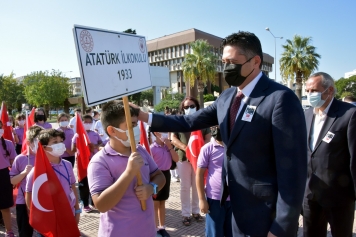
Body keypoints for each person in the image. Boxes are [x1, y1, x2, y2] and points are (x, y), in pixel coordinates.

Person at [134, 31, 307, 237]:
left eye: (232, 62)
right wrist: (144, 116)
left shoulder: (280, 99)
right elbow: (189, 121)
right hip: (232, 209)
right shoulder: (227, 96)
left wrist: (280, 228)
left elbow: (293, 173)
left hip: (264, 215)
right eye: (224, 62)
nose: (226, 68)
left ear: (256, 61)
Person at [87, 100, 166, 237]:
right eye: (131, 125)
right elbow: (101, 205)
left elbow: (160, 177)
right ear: (112, 130)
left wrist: (151, 188)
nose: (136, 130)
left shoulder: (140, 150)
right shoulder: (99, 161)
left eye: (136, 124)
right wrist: (129, 173)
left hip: (148, 231)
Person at [303, 72, 356, 237]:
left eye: (314, 91)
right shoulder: (306, 115)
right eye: (307, 91)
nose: (310, 95)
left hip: (339, 196)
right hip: (310, 195)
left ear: (330, 91)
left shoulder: (349, 114)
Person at [25, 129, 80, 235]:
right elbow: (30, 196)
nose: (59, 144)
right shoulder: (37, 172)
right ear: (44, 147)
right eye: (55, 142)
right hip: (50, 219)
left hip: (68, 214)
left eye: (61, 141)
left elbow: (72, 187)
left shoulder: (67, 165)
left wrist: (77, 210)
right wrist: (40, 218)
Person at [170, 96, 211, 226]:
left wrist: (200, 151)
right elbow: (173, 138)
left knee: (196, 186)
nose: (189, 109)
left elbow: (208, 138)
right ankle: (185, 214)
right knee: (185, 187)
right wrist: (186, 148)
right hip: (184, 158)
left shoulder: (202, 121)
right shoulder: (179, 121)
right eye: (186, 107)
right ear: (182, 108)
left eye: (192, 106)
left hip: (199, 159)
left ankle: (196, 211)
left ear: (197, 107)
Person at [196, 126, 232, 237]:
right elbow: (199, 174)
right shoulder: (207, 148)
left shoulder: (235, 146)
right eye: (214, 126)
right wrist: (202, 199)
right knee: (214, 233)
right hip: (214, 199)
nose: (217, 129)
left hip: (234, 200)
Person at [10, 125, 43, 237]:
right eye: (38, 142)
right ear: (29, 143)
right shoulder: (21, 159)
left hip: (43, 200)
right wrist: (24, 172)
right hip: (23, 201)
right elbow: (12, 181)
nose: (41, 145)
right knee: (25, 232)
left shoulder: (49, 157)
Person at [150, 131, 179, 237]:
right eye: (162, 132)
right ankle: (155, 228)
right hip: (156, 176)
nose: (165, 134)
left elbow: (176, 159)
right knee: (155, 203)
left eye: (166, 132)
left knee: (162, 202)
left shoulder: (168, 147)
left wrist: (170, 146)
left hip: (166, 175)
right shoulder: (152, 148)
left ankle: (162, 227)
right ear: (155, 134)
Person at [73, 115, 102, 212]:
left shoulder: (95, 133)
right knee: (84, 183)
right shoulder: (77, 135)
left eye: (90, 122)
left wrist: (95, 146)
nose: (88, 124)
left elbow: (101, 144)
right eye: (86, 122)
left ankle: (94, 202)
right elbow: (74, 149)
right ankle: (85, 203)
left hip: (94, 161)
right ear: (82, 123)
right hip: (83, 162)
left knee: (94, 181)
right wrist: (82, 147)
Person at [0, 120, 17, 237]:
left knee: (5, 206)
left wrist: (14, 177)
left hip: (4, 176)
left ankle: (9, 231)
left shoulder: (8, 143)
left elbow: (13, 162)